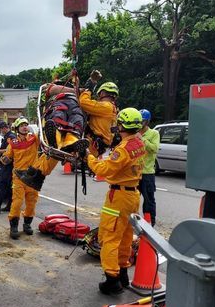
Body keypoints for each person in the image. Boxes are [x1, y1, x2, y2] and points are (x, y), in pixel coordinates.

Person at [16, 78, 119, 191]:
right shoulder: (110, 109)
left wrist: (88, 89)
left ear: (103, 93)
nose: (98, 97)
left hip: (91, 145)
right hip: (93, 144)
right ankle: (34, 174)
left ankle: (38, 174)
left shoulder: (106, 106)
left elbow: (83, 102)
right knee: (55, 151)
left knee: (57, 149)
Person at [86, 107, 146, 295]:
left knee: (110, 237)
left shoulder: (123, 150)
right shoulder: (138, 142)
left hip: (118, 197)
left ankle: (112, 280)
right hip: (132, 195)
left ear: (121, 125)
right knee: (126, 236)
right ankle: (122, 274)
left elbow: (104, 170)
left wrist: (88, 156)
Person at [1, 118, 40, 240]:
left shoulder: (35, 139)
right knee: (17, 202)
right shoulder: (12, 143)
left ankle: (27, 224)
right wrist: (4, 159)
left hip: (33, 177)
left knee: (31, 203)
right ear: (17, 128)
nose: (24, 127)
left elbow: (44, 138)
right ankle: (14, 227)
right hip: (18, 177)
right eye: (22, 125)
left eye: (26, 125)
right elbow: (6, 157)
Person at [139, 109, 160, 226]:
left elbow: (154, 148)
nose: (140, 124)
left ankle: (149, 223)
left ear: (147, 122)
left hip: (147, 173)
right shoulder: (134, 132)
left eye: (143, 121)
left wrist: (141, 139)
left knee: (149, 200)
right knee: (132, 199)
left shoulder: (154, 133)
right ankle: (132, 223)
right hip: (134, 173)